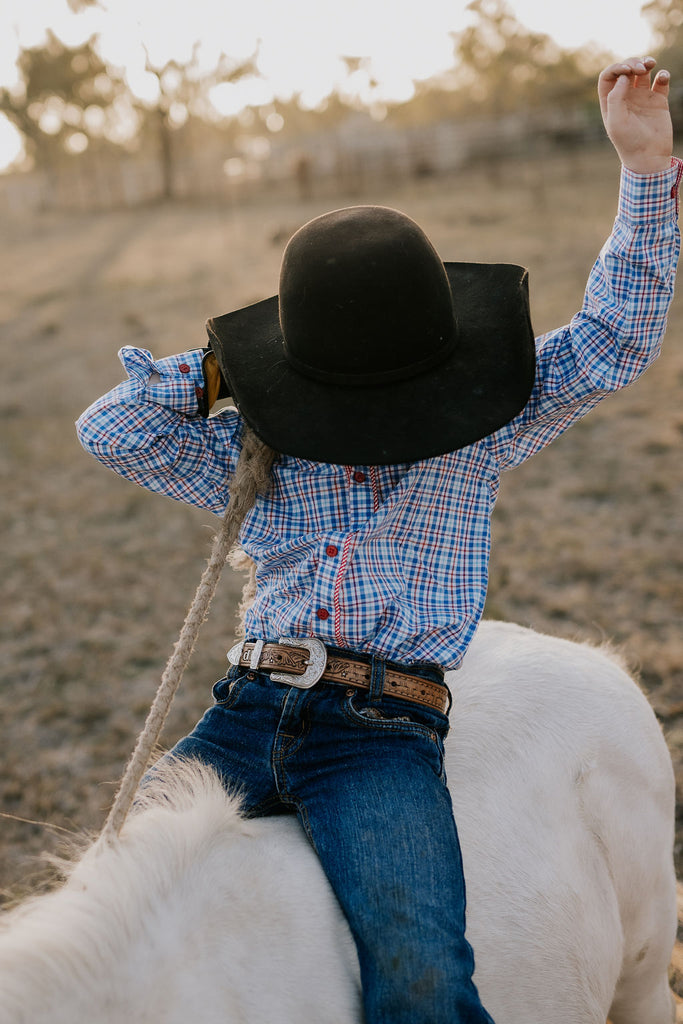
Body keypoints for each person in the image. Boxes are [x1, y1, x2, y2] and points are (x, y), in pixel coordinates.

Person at [76, 58, 680, 1024]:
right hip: (246, 704)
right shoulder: (264, 448)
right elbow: (109, 430)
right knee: (105, 923)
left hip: (376, 737)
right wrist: (219, 378)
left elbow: (613, 339)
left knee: (423, 977)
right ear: (295, 379)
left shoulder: (477, 433)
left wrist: (644, 171)